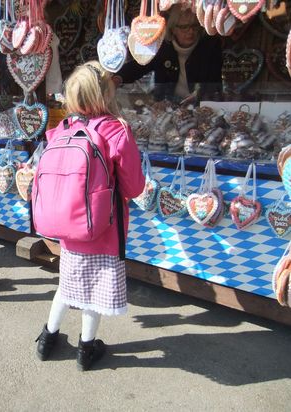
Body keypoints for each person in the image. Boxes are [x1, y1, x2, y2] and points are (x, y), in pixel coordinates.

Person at [35, 61, 145, 371]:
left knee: (67, 285)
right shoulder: (116, 130)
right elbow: (134, 187)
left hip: (68, 228)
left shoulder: (62, 129)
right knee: (91, 293)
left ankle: (47, 338)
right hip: (103, 229)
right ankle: (86, 348)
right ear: (107, 93)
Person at [115, 5, 222, 103]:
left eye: (194, 26)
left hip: (201, 105)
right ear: (173, 29)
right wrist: (118, 78)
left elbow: (214, 82)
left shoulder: (209, 46)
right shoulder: (163, 47)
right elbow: (139, 65)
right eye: (184, 27)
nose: (191, 32)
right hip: (166, 105)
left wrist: (198, 95)